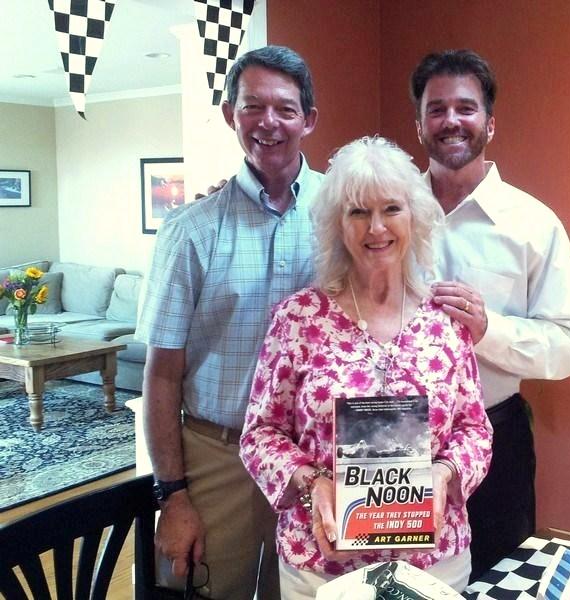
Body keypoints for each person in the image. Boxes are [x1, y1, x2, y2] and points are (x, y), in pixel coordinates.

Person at [239, 136, 492, 599]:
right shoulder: (298, 318)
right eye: (358, 212)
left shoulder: (444, 319)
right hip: (320, 565)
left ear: (414, 218)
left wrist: (443, 475)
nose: (376, 228)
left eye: (391, 209)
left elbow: (475, 429)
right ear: (337, 225)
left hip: (434, 562)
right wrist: (312, 483)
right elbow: (260, 434)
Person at [137, 45, 321, 600]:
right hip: (219, 457)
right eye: (252, 107)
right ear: (229, 114)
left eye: (286, 109)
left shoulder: (346, 215)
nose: (269, 123)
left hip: (317, 461)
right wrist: (172, 496)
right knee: (213, 590)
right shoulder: (191, 231)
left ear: (309, 120)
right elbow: (162, 376)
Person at [409, 50, 570, 580]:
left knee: (497, 577)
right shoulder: (387, 212)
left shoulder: (532, 223)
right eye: (436, 108)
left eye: (465, 108)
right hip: (392, 441)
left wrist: (489, 331)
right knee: (400, 582)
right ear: (418, 123)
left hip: (494, 440)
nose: (451, 121)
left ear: (490, 123)